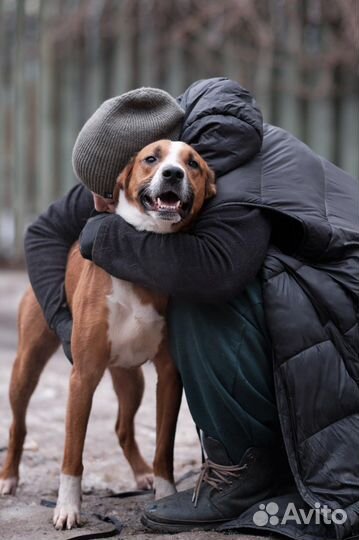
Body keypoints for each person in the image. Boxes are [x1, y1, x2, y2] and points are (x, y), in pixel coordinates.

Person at [25, 78, 359, 540]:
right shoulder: (152, 164)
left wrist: (100, 235)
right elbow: (43, 231)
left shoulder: (224, 176)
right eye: (101, 198)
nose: (99, 205)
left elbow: (215, 273)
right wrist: (67, 324)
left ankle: (245, 468)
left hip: (341, 305)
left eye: (102, 195)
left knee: (198, 301)